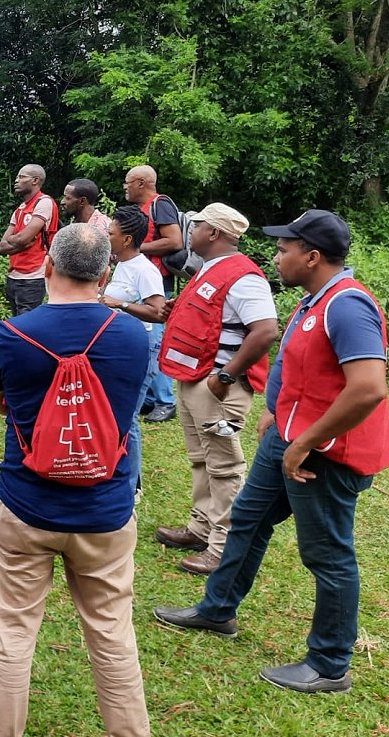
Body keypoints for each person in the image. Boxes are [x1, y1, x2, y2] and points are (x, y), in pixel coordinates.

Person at [155, 210, 389, 694]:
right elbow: (303, 366)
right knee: (247, 518)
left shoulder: (347, 305)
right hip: (287, 438)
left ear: (312, 256)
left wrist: (304, 440)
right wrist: (277, 412)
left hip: (322, 453)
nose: (276, 255)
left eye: (285, 249)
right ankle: (217, 610)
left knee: (327, 554)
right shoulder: (315, 300)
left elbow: (368, 388)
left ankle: (330, 664)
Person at [0, 223, 150, 737]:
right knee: (113, 636)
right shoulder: (130, 335)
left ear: (47, 266)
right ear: (105, 273)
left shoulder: (12, 334)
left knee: (13, 631)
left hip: (25, 507)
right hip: (105, 512)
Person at [154, 204, 278, 576]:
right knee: (201, 458)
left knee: (224, 466)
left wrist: (225, 376)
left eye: (196, 226)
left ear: (214, 233)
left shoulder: (244, 276)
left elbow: (266, 330)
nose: (189, 232)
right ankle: (201, 527)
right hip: (195, 379)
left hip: (217, 385)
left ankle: (223, 546)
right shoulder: (209, 269)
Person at [98, 206, 166, 477]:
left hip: (140, 348)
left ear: (126, 240)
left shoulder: (144, 270)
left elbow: (157, 312)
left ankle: (132, 484)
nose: (106, 236)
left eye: (110, 232)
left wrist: (121, 303)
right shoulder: (121, 265)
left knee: (129, 418)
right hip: (119, 348)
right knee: (116, 414)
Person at [123, 165, 182, 422]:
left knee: (154, 344)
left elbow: (174, 241)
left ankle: (166, 401)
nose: (124, 187)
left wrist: (136, 248)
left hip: (156, 284)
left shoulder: (161, 204)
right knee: (142, 341)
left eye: (127, 182)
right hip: (142, 282)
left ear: (140, 183)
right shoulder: (142, 210)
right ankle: (149, 398)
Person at [0, 165, 58, 315]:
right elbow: (2, 246)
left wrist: (19, 240)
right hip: (14, 274)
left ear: (35, 180)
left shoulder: (44, 203)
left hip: (33, 275)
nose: (16, 181)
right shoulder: (20, 209)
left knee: (26, 325)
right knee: (17, 322)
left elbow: (22, 238)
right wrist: (21, 243)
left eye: (22, 177)